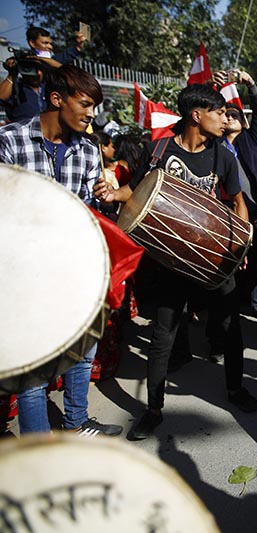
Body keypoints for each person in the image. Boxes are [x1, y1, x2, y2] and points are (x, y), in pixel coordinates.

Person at [94, 83, 257, 440]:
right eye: (219, 112)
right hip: (171, 259)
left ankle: (235, 389)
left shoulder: (223, 156)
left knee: (232, 328)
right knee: (163, 335)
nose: (225, 119)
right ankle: (154, 410)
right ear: (196, 115)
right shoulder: (159, 150)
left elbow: (236, 200)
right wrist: (113, 193)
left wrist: (241, 243)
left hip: (214, 256)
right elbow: (134, 191)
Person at [0, 64, 122, 437]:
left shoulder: (87, 149)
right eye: (85, 104)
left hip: (75, 269)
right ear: (57, 99)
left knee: (82, 354)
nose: (91, 114)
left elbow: (92, 211)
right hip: (27, 273)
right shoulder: (10, 140)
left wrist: (107, 197)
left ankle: (75, 422)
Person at [214, 69, 257, 325]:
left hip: (253, 208)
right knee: (226, 256)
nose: (230, 117)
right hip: (224, 208)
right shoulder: (214, 145)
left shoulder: (249, 139)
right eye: (226, 115)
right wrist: (214, 88)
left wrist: (250, 84)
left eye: (235, 114)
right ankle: (224, 303)